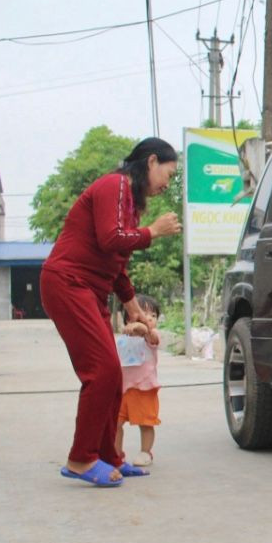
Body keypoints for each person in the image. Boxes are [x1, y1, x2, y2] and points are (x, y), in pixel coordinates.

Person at [41, 138, 182, 487]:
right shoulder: (115, 185)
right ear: (152, 161)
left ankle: (107, 457)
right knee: (101, 371)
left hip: (91, 290)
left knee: (112, 376)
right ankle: (81, 458)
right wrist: (152, 232)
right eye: (169, 172)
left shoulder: (130, 203)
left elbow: (116, 266)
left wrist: (136, 312)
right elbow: (111, 238)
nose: (168, 182)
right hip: (68, 283)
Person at [115, 294, 162, 468]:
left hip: (144, 389)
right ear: (129, 315)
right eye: (145, 313)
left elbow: (151, 336)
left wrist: (140, 326)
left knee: (146, 423)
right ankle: (116, 453)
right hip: (122, 390)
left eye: (153, 315)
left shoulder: (151, 336)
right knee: (115, 423)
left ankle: (145, 452)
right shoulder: (122, 339)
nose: (149, 318)